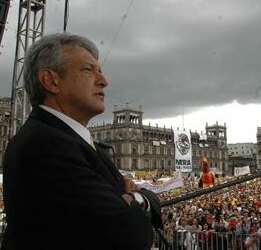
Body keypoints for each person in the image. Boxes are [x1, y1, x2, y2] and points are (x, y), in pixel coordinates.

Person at [1, 33, 162, 250]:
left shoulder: (64, 139)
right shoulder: (46, 145)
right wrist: (140, 199)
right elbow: (128, 235)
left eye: (101, 71)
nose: (104, 81)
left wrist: (131, 201)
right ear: (51, 81)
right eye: (88, 70)